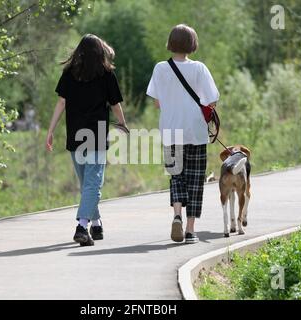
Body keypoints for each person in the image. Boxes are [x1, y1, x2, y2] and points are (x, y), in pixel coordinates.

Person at [46, 34, 128, 246]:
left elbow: (61, 103)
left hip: (76, 136)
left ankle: (97, 223)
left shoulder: (69, 74)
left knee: (88, 184)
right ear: (99, 52)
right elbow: (115, 104)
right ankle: (82, 226)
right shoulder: (106, 74)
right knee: (91, 184)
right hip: (96, 135)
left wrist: (51, 130)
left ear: (79, 51)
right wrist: (122, 124)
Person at [146, 24, 220, 244]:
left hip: (170, 131)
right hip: (195, 131)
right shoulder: (199, 69)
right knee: (196, 180)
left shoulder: (160, 68)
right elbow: (212, 101)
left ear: (171, 43)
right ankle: (190, 230)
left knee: (176, 176)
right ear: (192, 44)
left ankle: (176, 214)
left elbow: (157, 103)